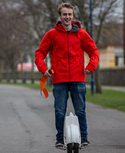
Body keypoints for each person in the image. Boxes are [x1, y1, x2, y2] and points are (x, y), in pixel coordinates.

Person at [34, 3, 99, 148]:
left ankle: (84, 138)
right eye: (64, 14)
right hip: (59, 79)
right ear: (60, 16)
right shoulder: (52, 34)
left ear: (73, 15)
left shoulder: (81, 34)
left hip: (78, 78)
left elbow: (94, 51)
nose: (67, 17)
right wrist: (43, 68)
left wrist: (91, 66)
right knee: (59, 111)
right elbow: (40, 53)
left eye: (69, 14)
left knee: (80, 110)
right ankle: (59, 139)